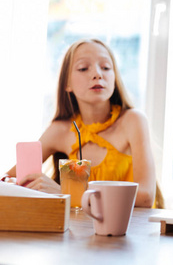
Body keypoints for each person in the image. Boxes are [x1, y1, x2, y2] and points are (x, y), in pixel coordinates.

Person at [3, 39, 162, 208]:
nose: (97, 74)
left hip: (131, 228)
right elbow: (6, 180)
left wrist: (65, 192)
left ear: (115, 78)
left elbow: (145, 196)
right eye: (83, 68)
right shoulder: (60, 130)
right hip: (79, 229)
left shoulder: (133, 120)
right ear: (67, 84)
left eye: (106, 67)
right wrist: (16, 184)